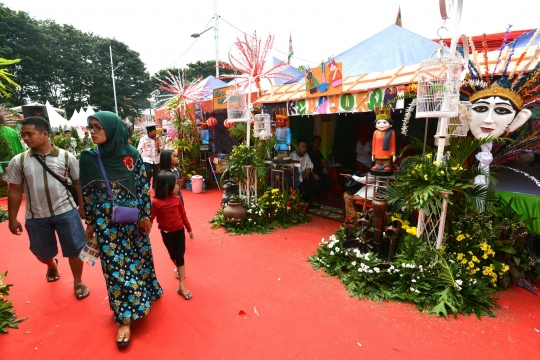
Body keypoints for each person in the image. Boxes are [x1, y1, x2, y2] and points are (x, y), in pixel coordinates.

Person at [79, 111, 162, 346]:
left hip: (133, 220)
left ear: (112, 129)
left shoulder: (131, 155)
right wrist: (92, 223)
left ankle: (148, 290)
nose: (92, 132)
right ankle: (125, 317)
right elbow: (89, 194)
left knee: (139, 257)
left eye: (97, 127)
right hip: (107, 225)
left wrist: (146, 216)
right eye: (90, 127)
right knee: (115, 268)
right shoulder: (88, 158)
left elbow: (142, 188)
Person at [4, 117, 90, 300]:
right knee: (41, 253)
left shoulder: (67, 157)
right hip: (36, 216)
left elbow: (78, 184)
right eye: (23, 135)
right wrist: (12, 218)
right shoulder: (18, 161)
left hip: (66, 211)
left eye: (29, 134)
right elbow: (15, 190)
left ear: (44, 134)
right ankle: (51, 265)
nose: (25, 138)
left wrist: (82, 207)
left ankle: (78, 281)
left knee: (76, 249)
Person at [151, 171, 194, 300]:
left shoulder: (177, 199)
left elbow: (183, 214)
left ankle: (182, 286)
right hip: (166, 234)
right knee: (173, 256)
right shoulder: (156, 202)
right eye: (175, 184)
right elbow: (151, 218)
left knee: (180, 256)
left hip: (179, 231)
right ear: (166, 187)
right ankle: (178, 268)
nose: (178, 186)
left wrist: (189, 228)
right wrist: (144, 230)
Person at [137, 124, 161, 190]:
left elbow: (161, 148)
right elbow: (139, 149)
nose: (155, 133)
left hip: (156, 159)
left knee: (156, 173)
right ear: (149, 132)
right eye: (154, 131)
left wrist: (158, 145)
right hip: (146, 159)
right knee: (148, 172)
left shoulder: (158, 138)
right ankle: (147, 186)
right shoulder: (143, 139)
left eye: (155, 131)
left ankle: (155, 186)